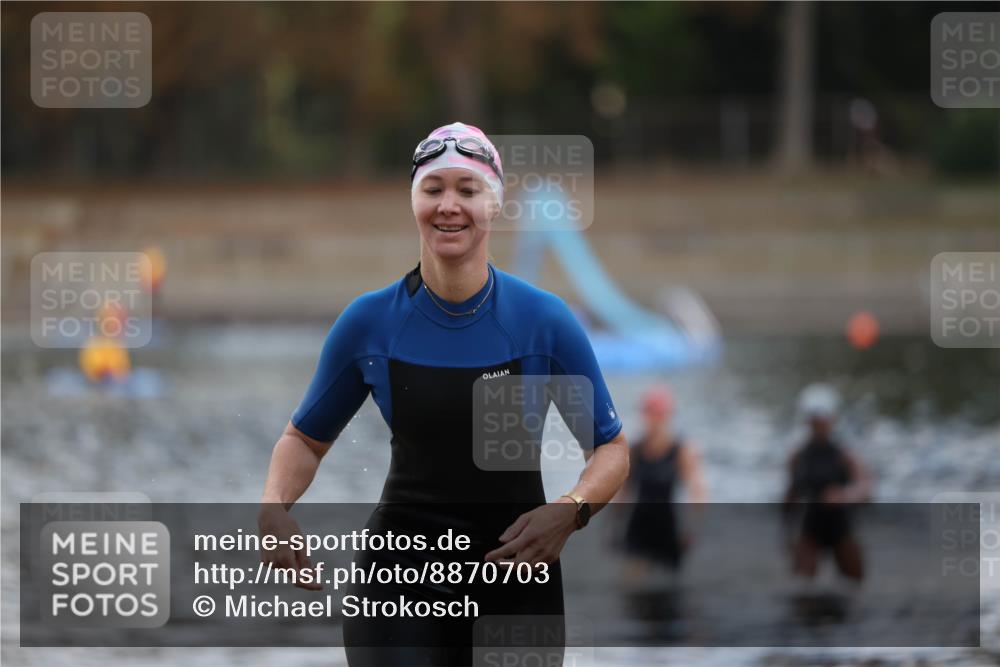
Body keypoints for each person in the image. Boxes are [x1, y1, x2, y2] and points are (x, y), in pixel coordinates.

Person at [257, 122, 630, 666]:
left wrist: (571, 510)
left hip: (518, 581)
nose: (449, 206)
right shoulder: (370, 323)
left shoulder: (544, 322)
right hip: (399, 585)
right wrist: (273, 509)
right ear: (413, 202)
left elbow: (611, 449)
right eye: (433, 189)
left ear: (494, 206)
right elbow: (304, 440)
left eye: (467, 190)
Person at [784, 383, 872, 582]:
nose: (819, 426)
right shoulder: (797, 456)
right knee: (802, 588)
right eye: (814, 422)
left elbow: (865, 488)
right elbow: (790, 495)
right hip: (811, 526)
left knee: (854, 586)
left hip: (841, 526)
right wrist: (786, 534)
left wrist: (844, 495)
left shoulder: (845, 454)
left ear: (832, 420)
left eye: (823, 421)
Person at [621, 385, 707, 578]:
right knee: (633, 583)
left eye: (658, 415)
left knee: (670, 587)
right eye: (649, 414)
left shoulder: (681, 450)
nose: (653, 421)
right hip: (639, 523)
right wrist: (612, 523)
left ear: (668, 417)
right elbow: (623, 490)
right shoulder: (635, 449)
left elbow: (697, 491)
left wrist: (692, 527)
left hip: (668, 525)